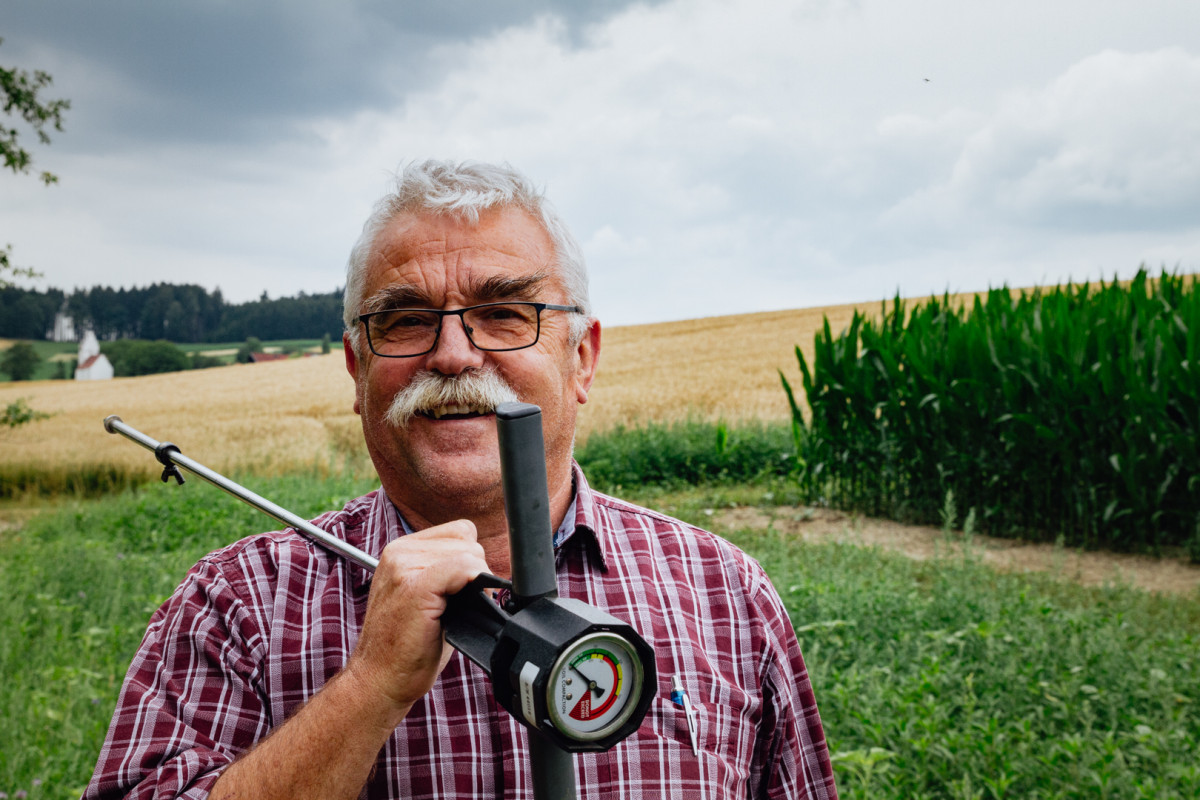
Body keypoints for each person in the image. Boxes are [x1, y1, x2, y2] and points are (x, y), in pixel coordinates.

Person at [83, 160, 838, 799]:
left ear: (582, 358)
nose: (452, 353)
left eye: (505, 313)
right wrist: (370, 689)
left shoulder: (725, 595)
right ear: (355, 369)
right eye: (405, 320)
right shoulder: (236, 605)